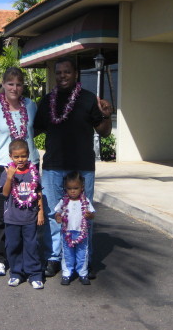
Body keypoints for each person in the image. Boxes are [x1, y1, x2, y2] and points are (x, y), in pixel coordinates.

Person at [34, 56, 112, 278]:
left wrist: (106, 114)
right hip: (52, 167)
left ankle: (84, 259)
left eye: (66, 72)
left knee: (83, 215)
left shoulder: (89, 99)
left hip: (81, 168)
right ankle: (54, 258)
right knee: (53, 213)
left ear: (75, 74)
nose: (62, 76)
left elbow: (104, 132)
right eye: (58, 73)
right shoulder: (47, 101)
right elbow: (34, 129)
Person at [0, 67, 40, 276]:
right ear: (3, 84)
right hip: (4, 167)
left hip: (30, 166)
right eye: (10, 84)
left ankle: (28, 255)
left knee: (29, 213)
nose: (14, 88)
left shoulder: (31, 106)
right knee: (0, 213)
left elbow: (36, 130)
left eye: (18, 84)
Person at [0, 139, 44, 289]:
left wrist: (41, 212)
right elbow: (5, 194)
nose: (20, 160)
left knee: (31, 245)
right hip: (12, 218)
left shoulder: (33, 172)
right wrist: (10, 177)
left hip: (30, 217)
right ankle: (16, 273)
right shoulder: (7, 173)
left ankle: (34, 274)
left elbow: (38, 193)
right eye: (16, 157)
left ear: (28, 155)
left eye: (23, 156)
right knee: (13, 246)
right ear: (10, 156)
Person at [55, 171, 95, 285]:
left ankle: (83, 273)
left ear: (82, 188)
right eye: (69, 188)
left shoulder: (85, 201)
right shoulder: (64, 201)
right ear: (65, 189)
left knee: (82, 254)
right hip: (67, 232)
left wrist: (89, 215)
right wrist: (58, 217)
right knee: (67, 254)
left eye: (76, 188)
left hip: (81, 232)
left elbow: (92, 214)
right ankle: (67, 273)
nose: (72, 191)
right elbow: (57, 212)